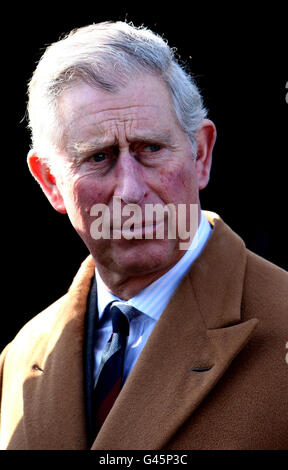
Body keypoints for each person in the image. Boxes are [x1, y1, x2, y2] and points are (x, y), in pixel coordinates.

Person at [0, 21, 287, 451]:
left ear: (201, 154)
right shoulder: (22, 356)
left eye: (150, 148)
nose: (131, 191)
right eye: (98, 157)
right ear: (51, 183)